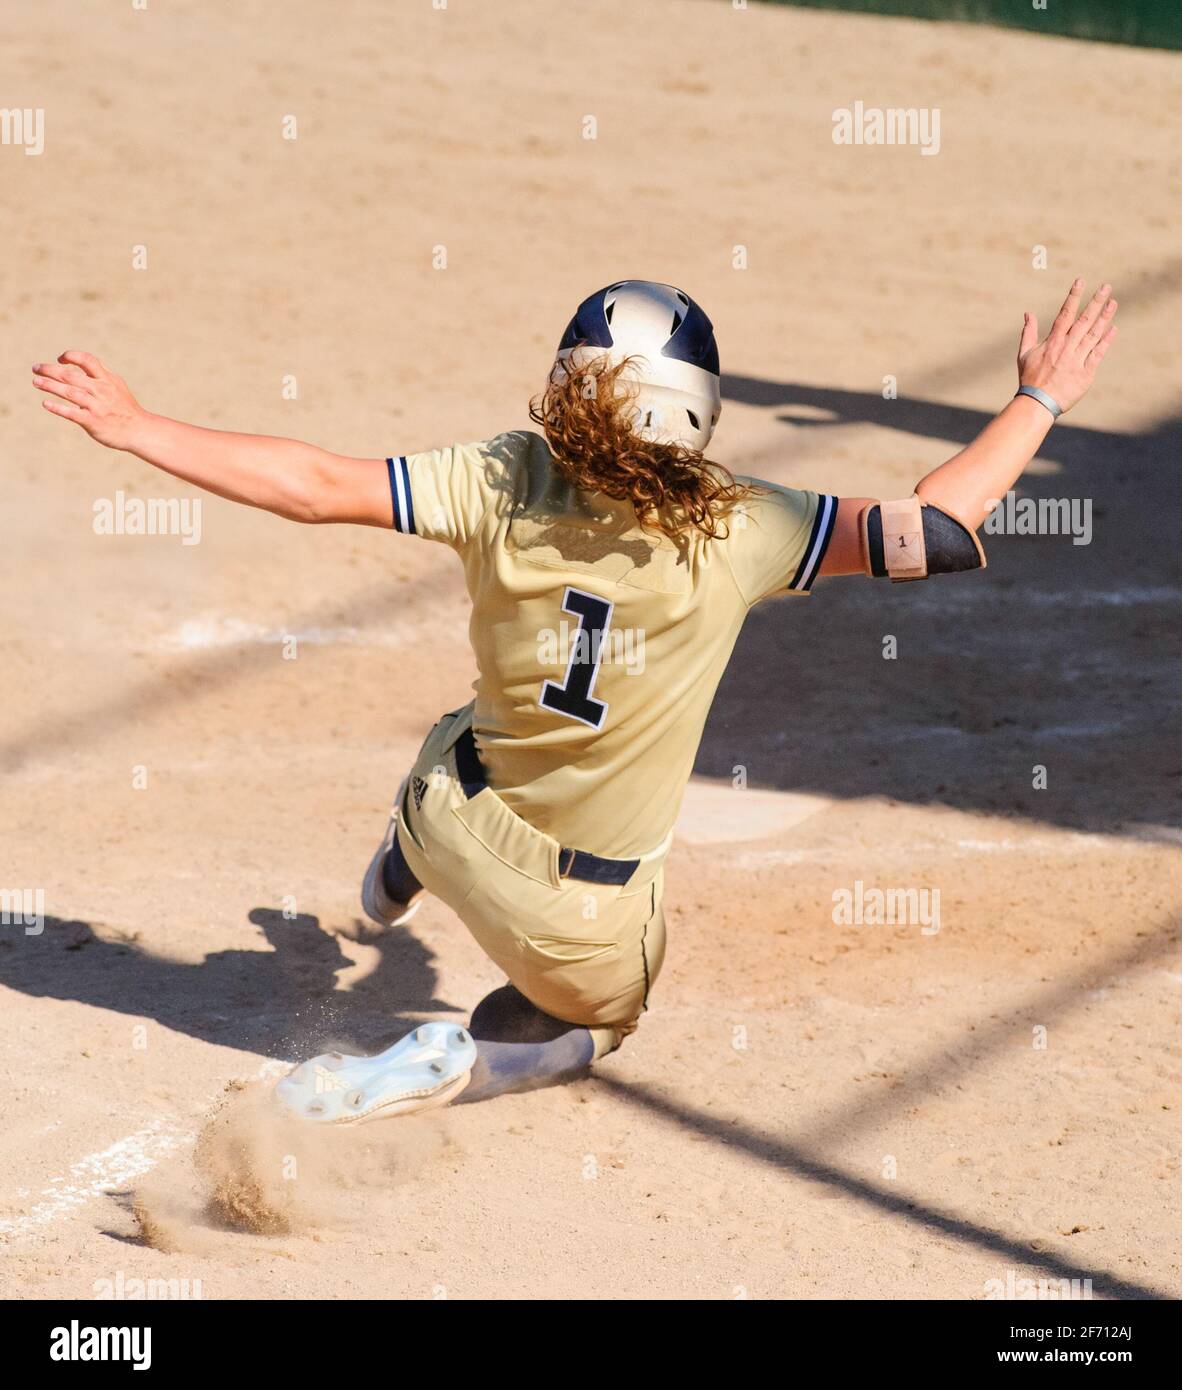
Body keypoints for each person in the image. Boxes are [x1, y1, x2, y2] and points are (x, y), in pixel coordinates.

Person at [32, 277, 1117, 1122]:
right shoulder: (743, 527)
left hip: (457, 813)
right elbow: (937, 530)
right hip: (580, 923)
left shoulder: (505, 476)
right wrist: (1040, 394)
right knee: (597, 1022)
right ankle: (457, 1065)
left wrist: (138, 425)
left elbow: (315, 487)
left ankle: (401, 865)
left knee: (459, 732)